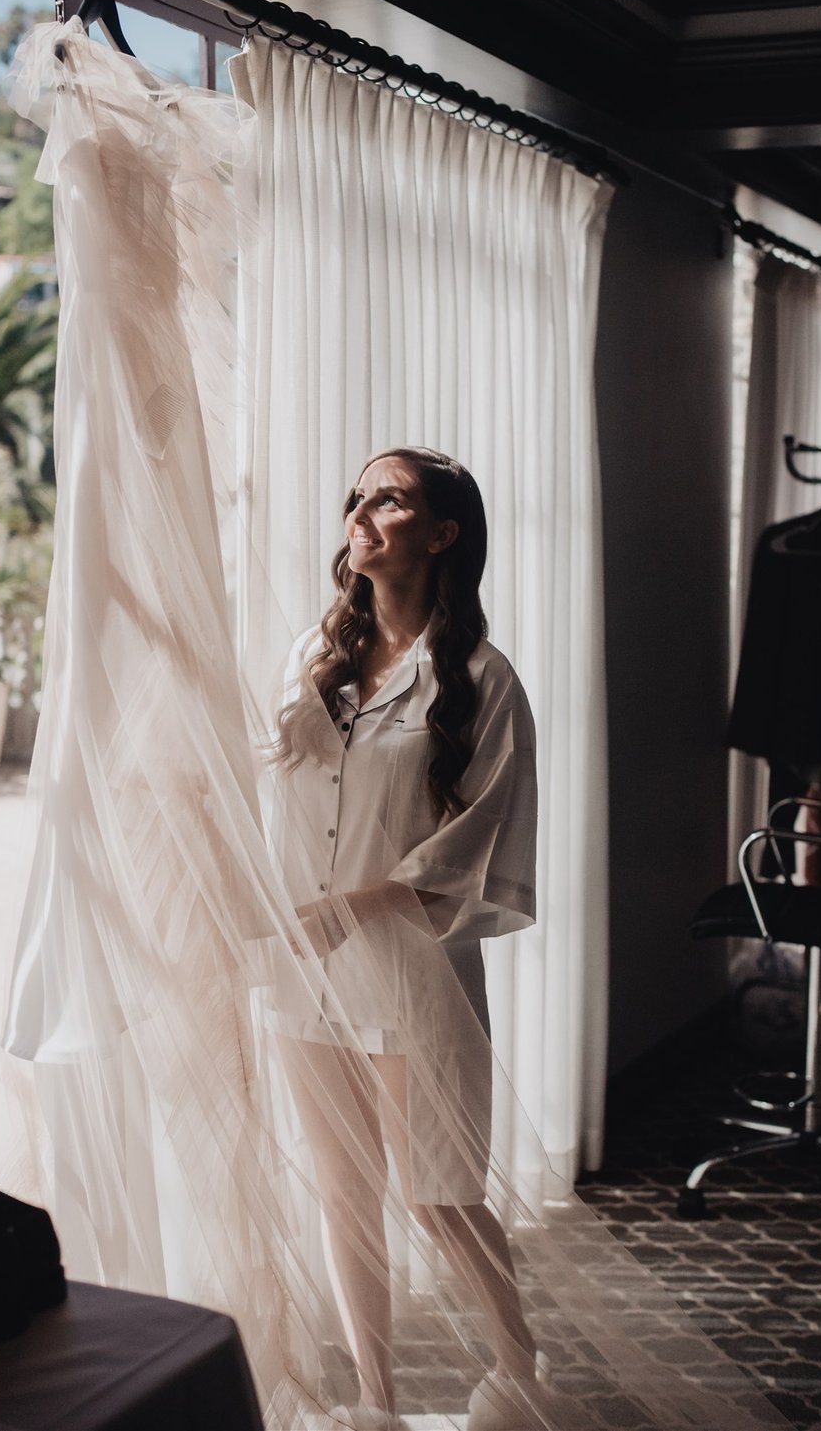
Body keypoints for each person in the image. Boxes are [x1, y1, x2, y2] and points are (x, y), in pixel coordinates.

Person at [270, 446, 547, 1431]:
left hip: (410, 970)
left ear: (442, 532)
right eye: (356, 495)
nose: (359, 509)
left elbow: (476, 833)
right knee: (344, 1196)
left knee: (438, 1191)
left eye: (386, 497)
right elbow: (257, 773)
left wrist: (358, 903)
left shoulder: (480, 678)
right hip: (301, 971)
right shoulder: (313, 656)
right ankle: (374, 1403)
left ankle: (520, 1375)